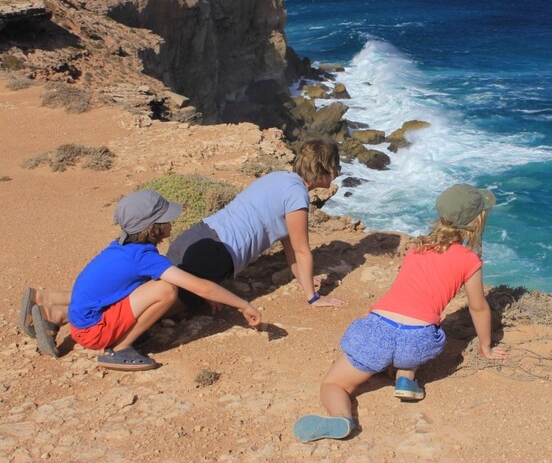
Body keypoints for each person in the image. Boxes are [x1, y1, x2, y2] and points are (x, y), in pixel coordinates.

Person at [293, 184, 511, 442]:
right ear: (476, 223)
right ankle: (406, 377)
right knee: (421, 329)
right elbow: (478, 307)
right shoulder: (469, 260)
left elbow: (404, 291)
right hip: (418, 341)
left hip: (379, 330)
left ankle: (342, 418)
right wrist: (485, 347)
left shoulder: (417, 248)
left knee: (334, 385)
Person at [19, 190, 261, 370]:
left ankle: (54, 311)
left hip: (84, 319)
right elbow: (200, 285)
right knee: (166, 291)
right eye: (166, 220)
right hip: (93, 332)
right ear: (153, 228)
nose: (171, 223)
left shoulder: (122, 248)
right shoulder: (144, 258)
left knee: (153, 285)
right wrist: (243, 304)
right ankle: (121, 347)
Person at [166, 138, 345, 312]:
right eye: (336, 167)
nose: (337, 171)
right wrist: (313, 298)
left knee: (151, 288)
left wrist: (305, 280)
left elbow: (290, 248)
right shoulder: (297, 194)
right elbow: (301, 250)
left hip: (197, 235)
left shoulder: (278, 177)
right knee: (167, 305)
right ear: (323, 169)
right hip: (218, 253)